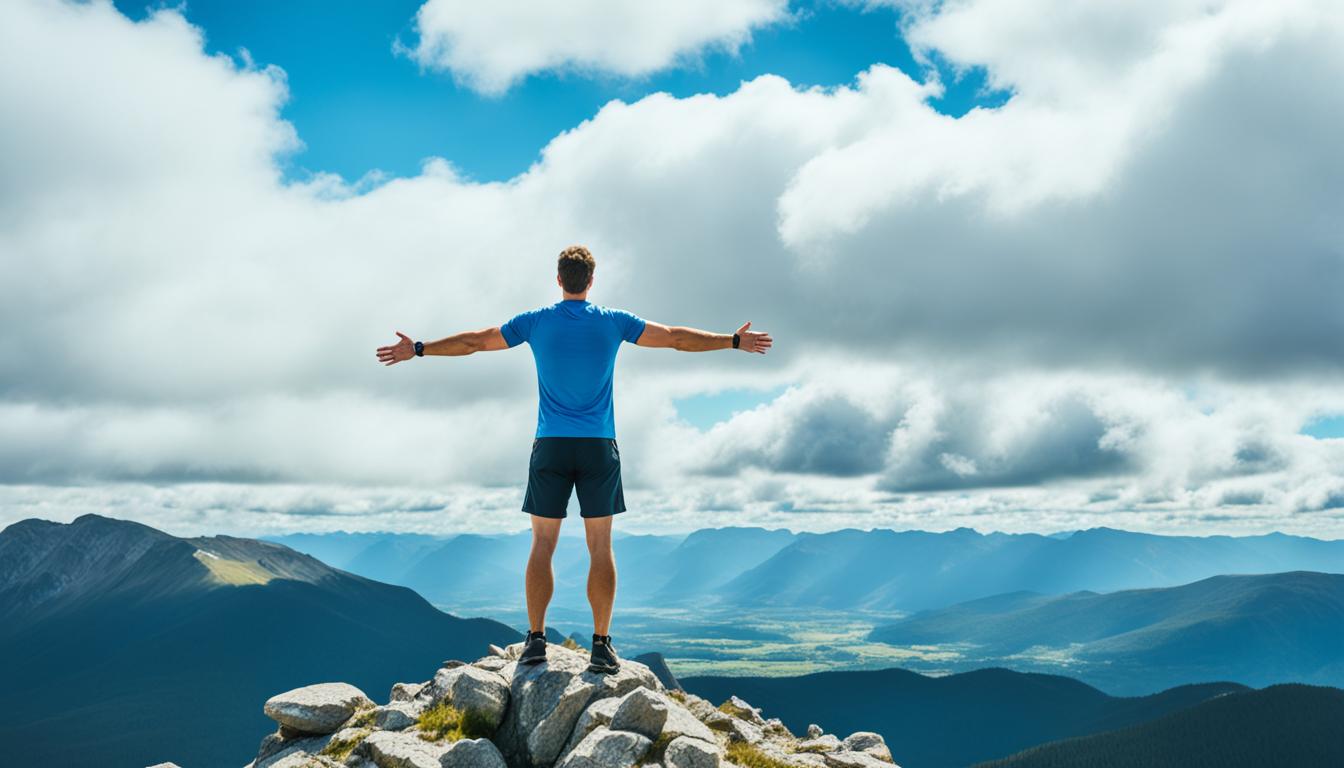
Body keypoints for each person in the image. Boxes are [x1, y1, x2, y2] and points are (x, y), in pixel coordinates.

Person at [374, 244, 772, 672]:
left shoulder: (536, 322)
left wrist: (417, 348)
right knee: (600, 545)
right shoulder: (614, 322)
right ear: (592, 281)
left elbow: (473, 342)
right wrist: (732, 341)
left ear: (559, 279)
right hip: (599, 446)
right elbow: (675, 338)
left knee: (542, 543)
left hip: (551, 445)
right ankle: (601, 646)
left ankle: (536, 642)